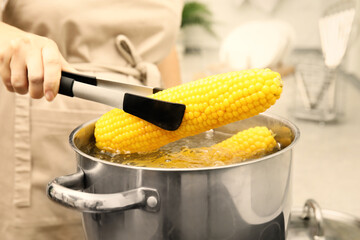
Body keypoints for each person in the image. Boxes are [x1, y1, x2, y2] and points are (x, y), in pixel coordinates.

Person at [0, 0, 183, 239]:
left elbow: (157, 45)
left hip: (145, 148)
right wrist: (13, 39)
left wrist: (181, 132)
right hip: (41, 137)